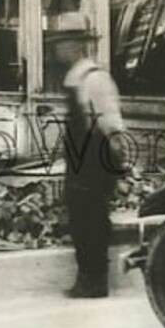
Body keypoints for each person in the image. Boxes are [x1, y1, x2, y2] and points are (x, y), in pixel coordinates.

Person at [51, 15, 128, 299]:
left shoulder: (94, 78)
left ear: (76, 44)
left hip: (95, 158)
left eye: (62, 43)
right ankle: (87, 276)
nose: (58, 49)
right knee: (79, 218)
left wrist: (118, 164)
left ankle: (95, 280)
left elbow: (111, 123)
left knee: (92, 218)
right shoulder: (74, 77)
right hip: (79, 158)